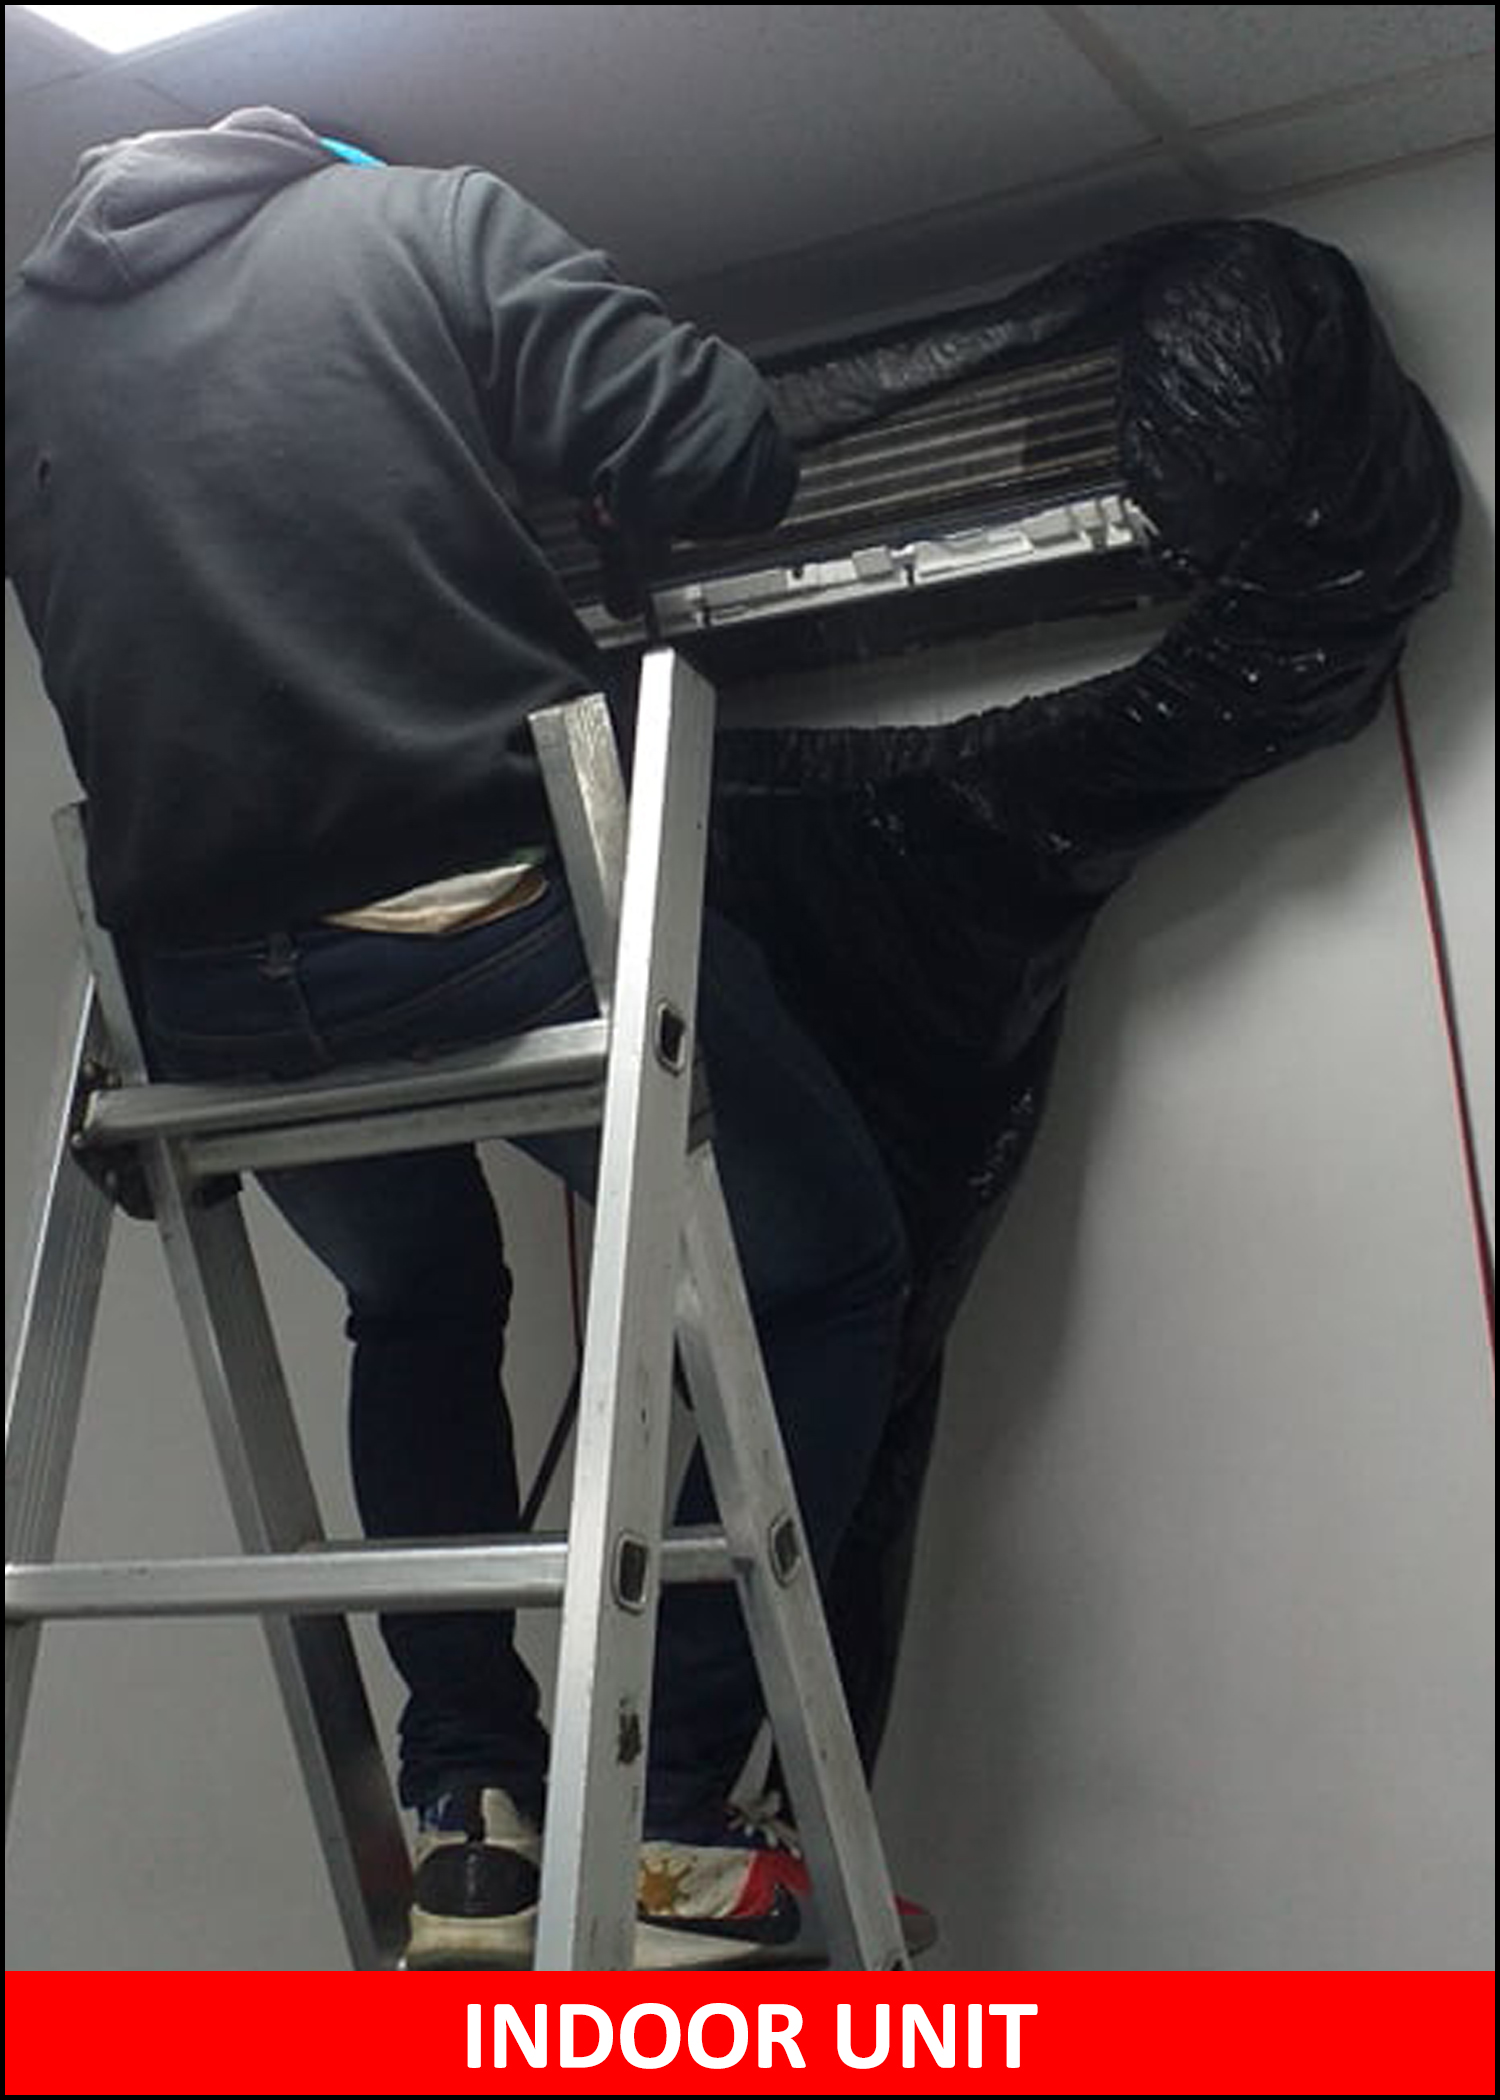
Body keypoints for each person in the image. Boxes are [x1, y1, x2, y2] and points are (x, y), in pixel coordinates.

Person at [6, 108, 922, 1968]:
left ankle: (473, 1812)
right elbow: (727, 453)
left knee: (417, 1302)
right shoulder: (419, 220)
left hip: (207, 1003)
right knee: (828, 1269)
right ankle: (671, 1818)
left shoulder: (22, 347)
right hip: (491, 923)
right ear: (302, 154)